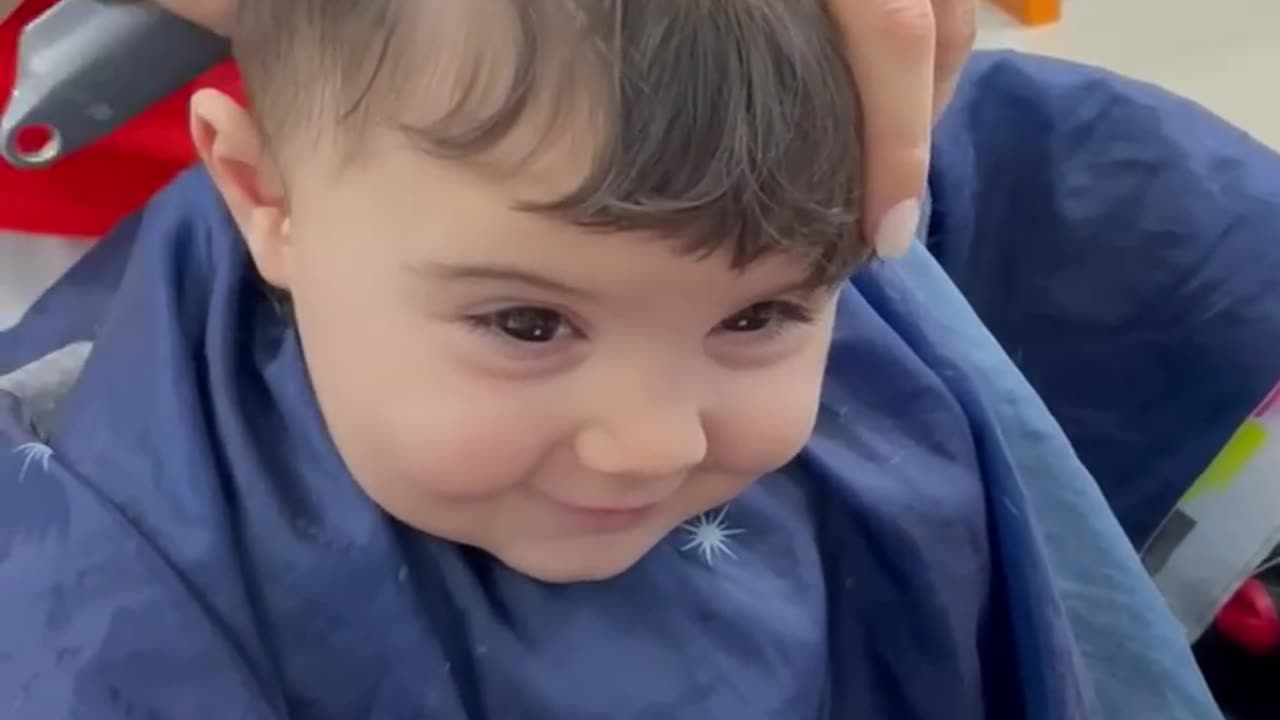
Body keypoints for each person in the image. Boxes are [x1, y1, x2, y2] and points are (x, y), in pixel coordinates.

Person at [1, 1, 1224, 718]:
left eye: (763, 318)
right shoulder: (92, 597)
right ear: (259, 192)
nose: (659, 443)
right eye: (530, 325)